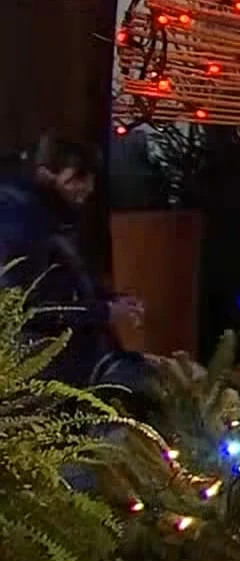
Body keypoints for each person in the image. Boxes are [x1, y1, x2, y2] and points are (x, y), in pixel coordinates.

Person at [0, 135, 151, 399]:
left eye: (91, 178)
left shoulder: (54, 220)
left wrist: (110, 302)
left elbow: (68, 284)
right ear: (46, 175)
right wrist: (103, 311)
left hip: (71, 361)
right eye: (78, 178)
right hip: (45, 369)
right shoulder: (21, 224)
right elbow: (27, 307)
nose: (88, 188)